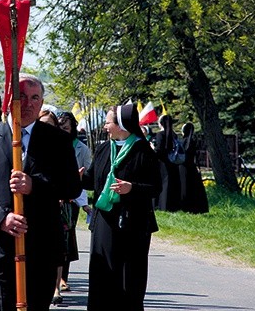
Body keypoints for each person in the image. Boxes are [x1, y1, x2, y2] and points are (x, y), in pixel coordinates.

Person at [0, 74, 81, 310]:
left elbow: (72, 187)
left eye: (35, 98)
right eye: (22, 97)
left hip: (42, 247)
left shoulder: (58, 141)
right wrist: (1, 218)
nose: (28, 104)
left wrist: (35, 186)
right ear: (9, 100)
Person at [82, 104, 161, 310]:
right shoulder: (103, 148)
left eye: (108, 122)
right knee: (102, 274)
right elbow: (92, 180)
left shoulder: (143, 150)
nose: (105, 126)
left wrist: (131, 188)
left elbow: (156, 187)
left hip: (133, 224)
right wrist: (79, 178)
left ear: (122, 125)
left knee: (129, 278)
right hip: (104, 221)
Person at [53, 111, 92, 304]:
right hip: (55, 198)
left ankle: (63, 277)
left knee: (67, 236)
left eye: (67, 128)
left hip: (73, 199)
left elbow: (88, 175)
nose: (63, 131)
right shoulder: (51, 145)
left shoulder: (81, 149)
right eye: (60, 128)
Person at [154, 114, 182, 211]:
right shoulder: (174, 134)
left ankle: (163, 205)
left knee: (163, 184)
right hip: (173, 162)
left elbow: (159, 150)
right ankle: (173, 205)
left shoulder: (160, 134)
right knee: (172, 184)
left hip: (162, 162)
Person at [179, 123, 209, 214]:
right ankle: (196, 207)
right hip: (192, 166)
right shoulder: (193, 141)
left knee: (184, 186)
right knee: (194, 188)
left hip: (182, 166)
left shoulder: (182, 142)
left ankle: (184, 205)